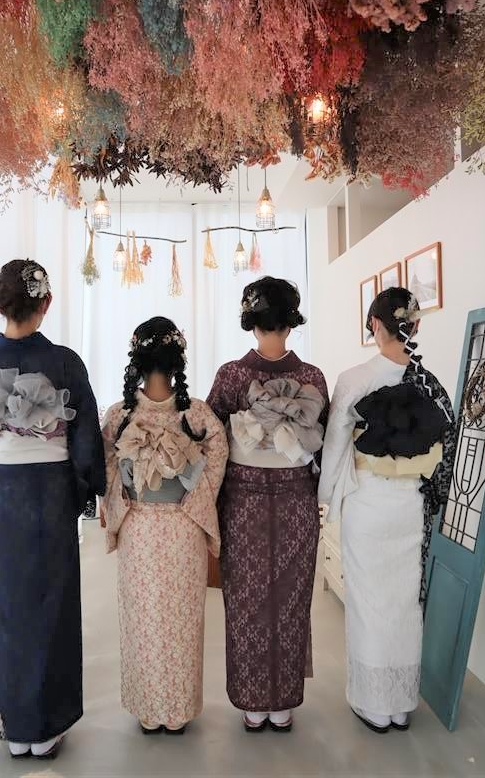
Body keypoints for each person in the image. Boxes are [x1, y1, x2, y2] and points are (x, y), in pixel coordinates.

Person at [0, 259, 106, 759]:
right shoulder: (65, 363)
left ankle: (10, 726)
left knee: (1, 608)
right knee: (51, 603)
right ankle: (46, 728)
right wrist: (84, 488)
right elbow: (85, 440)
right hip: (51, 492)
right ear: (47, 303)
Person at [318, 287, 456, 733]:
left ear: (375, 325)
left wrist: (324, 498)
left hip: (368, 501)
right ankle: (400, 703)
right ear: (415, 326)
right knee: (404, 603)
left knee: (368, 602)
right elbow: (447, 447)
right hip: (410, 504)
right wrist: (435, 498)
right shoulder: (429, 384)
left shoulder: (354, 379)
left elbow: (335, 446)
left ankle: (374, 704)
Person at [206, 277, 328, 732]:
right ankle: (282, 705)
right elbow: (323, 445)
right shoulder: (311, 377)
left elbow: (212, 442)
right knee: (290, 599)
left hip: (243, 502)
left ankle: (252, 704)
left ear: (251, 321)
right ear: (291, 322)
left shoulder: (231, 376)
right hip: (296, 499)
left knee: (247, 599)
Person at [101, 317, 228, 734]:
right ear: (178, 361)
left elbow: (107, 462)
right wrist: (197, 495)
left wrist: (117, 500)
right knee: (182, 619)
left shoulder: (120, 414)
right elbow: (219, 452)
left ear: (136, 360)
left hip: (138, 526)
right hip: (183, 525)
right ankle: (178, 709)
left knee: (143, 617)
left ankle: (148, 709)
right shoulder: (196, 412)